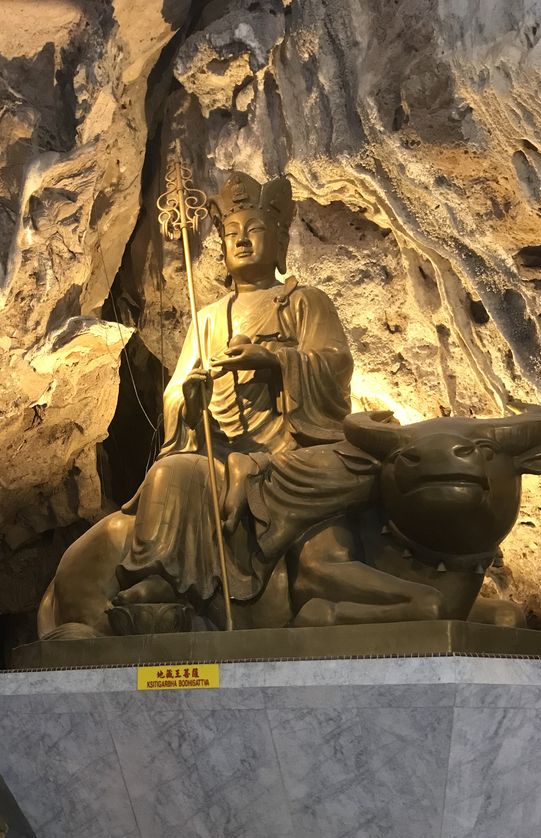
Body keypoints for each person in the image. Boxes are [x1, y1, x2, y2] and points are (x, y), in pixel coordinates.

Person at [114, 171, 377, 624]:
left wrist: (275, 360)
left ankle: (254, 471)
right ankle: (158, 577)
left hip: (292, 449)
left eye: (254, 230)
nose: (240, 240)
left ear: (279, 241)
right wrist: (189, 397)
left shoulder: (304, 301)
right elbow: (176, 389)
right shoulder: (209, 318)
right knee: (170, 471)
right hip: (222, 451)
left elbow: (335, 364)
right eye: (231, 232)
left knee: (364, 462)